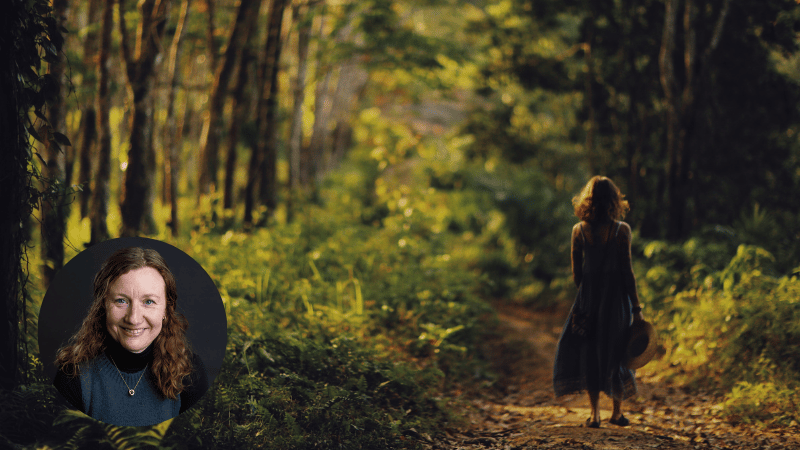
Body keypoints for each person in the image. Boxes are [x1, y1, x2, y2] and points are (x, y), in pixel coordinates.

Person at [54, 247, 209, 427]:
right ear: (104, 305)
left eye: (148, 301)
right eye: (121, 300)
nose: (133, 319)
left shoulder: (191, 372)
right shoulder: (73, 376)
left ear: (166, 309)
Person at [553, 176, 645, 428]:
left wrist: (586, 296)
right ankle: (616, 413)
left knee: (590, 352)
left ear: (588, 200)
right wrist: (636, 308)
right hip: (616, 301)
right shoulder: (621, 230)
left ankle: (594, 415)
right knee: (617, 352)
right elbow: (628, 273)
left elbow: (577, 273)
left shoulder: (578, 230)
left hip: (588, 299)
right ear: (614, 200)